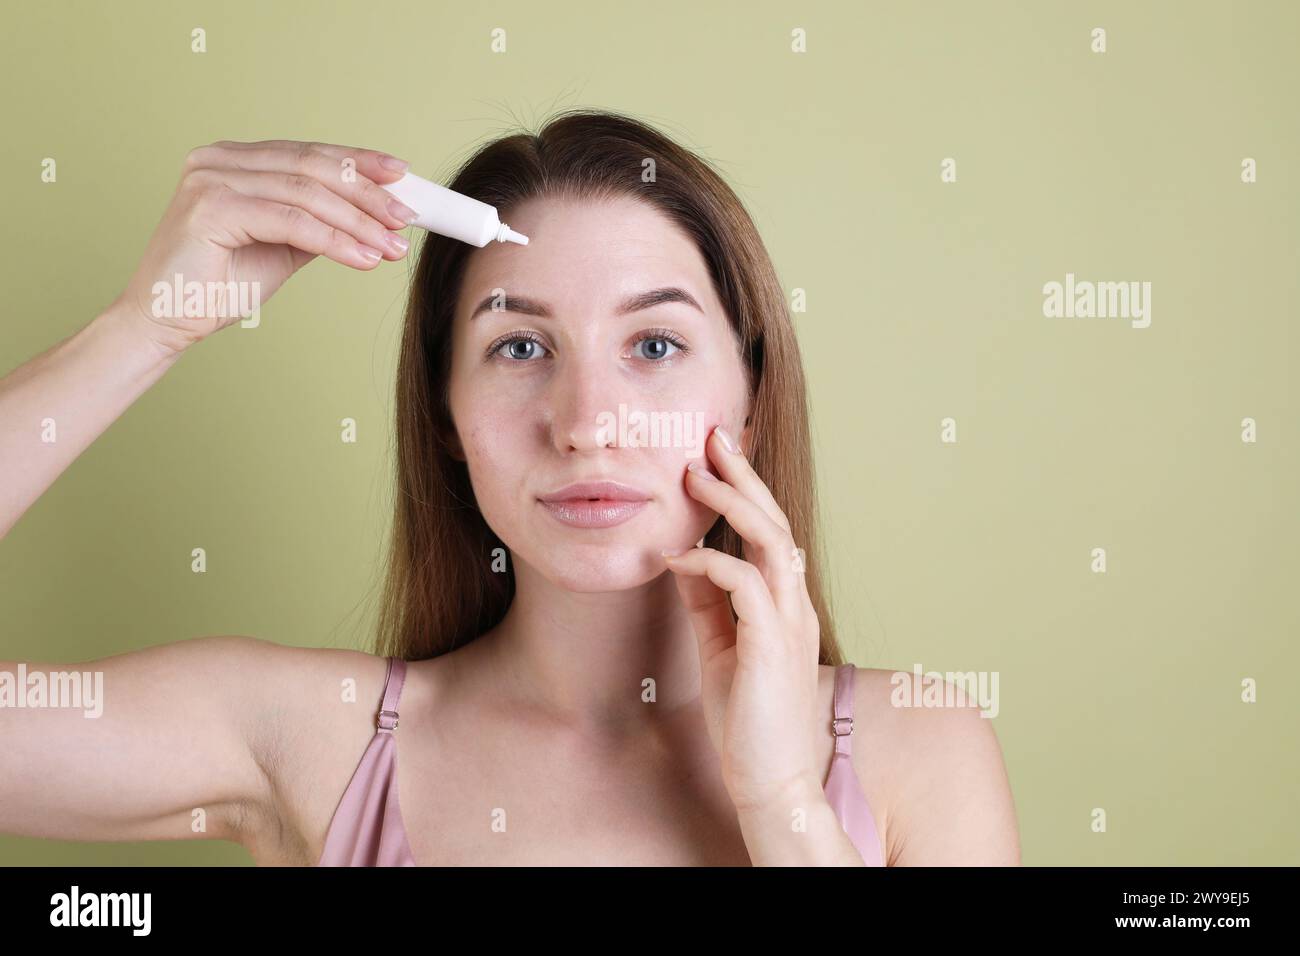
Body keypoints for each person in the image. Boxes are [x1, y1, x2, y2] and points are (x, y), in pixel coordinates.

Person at [0, 109, 1020, 865]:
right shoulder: (312, 739)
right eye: (520, 345)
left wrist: (786, 800)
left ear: (749, 399)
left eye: (654, 343)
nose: (584, 422)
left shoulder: (916, 749)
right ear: (444, 413)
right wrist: (145, 326)